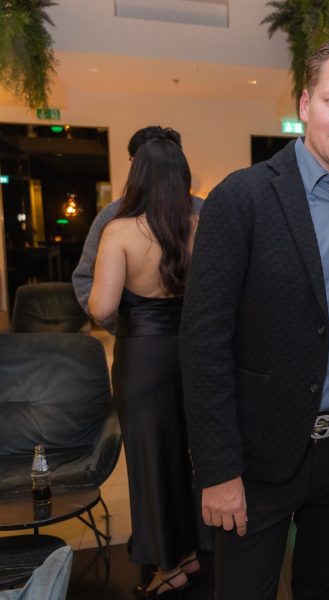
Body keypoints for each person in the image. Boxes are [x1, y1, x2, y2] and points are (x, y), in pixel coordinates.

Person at [179, 36, 329, 600]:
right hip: (256, 457)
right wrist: (217, 469)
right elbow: (203, 343)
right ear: (304, 104)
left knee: (325, 588)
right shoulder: (242, 198)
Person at [87, 138, 202, 597]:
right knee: (186, 455)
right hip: (190, 354)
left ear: (137, 177)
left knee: (149, 461)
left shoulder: (119, 231)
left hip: (142, 359)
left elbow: (100, 307)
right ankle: (190, 550)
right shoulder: (197, 227)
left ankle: (168, 566)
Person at [73, 125, 203, 333]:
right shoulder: (113, 215)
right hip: (138, 332)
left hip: (189, 334)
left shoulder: (204, 211)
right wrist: (123, 327)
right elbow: (85, 278)